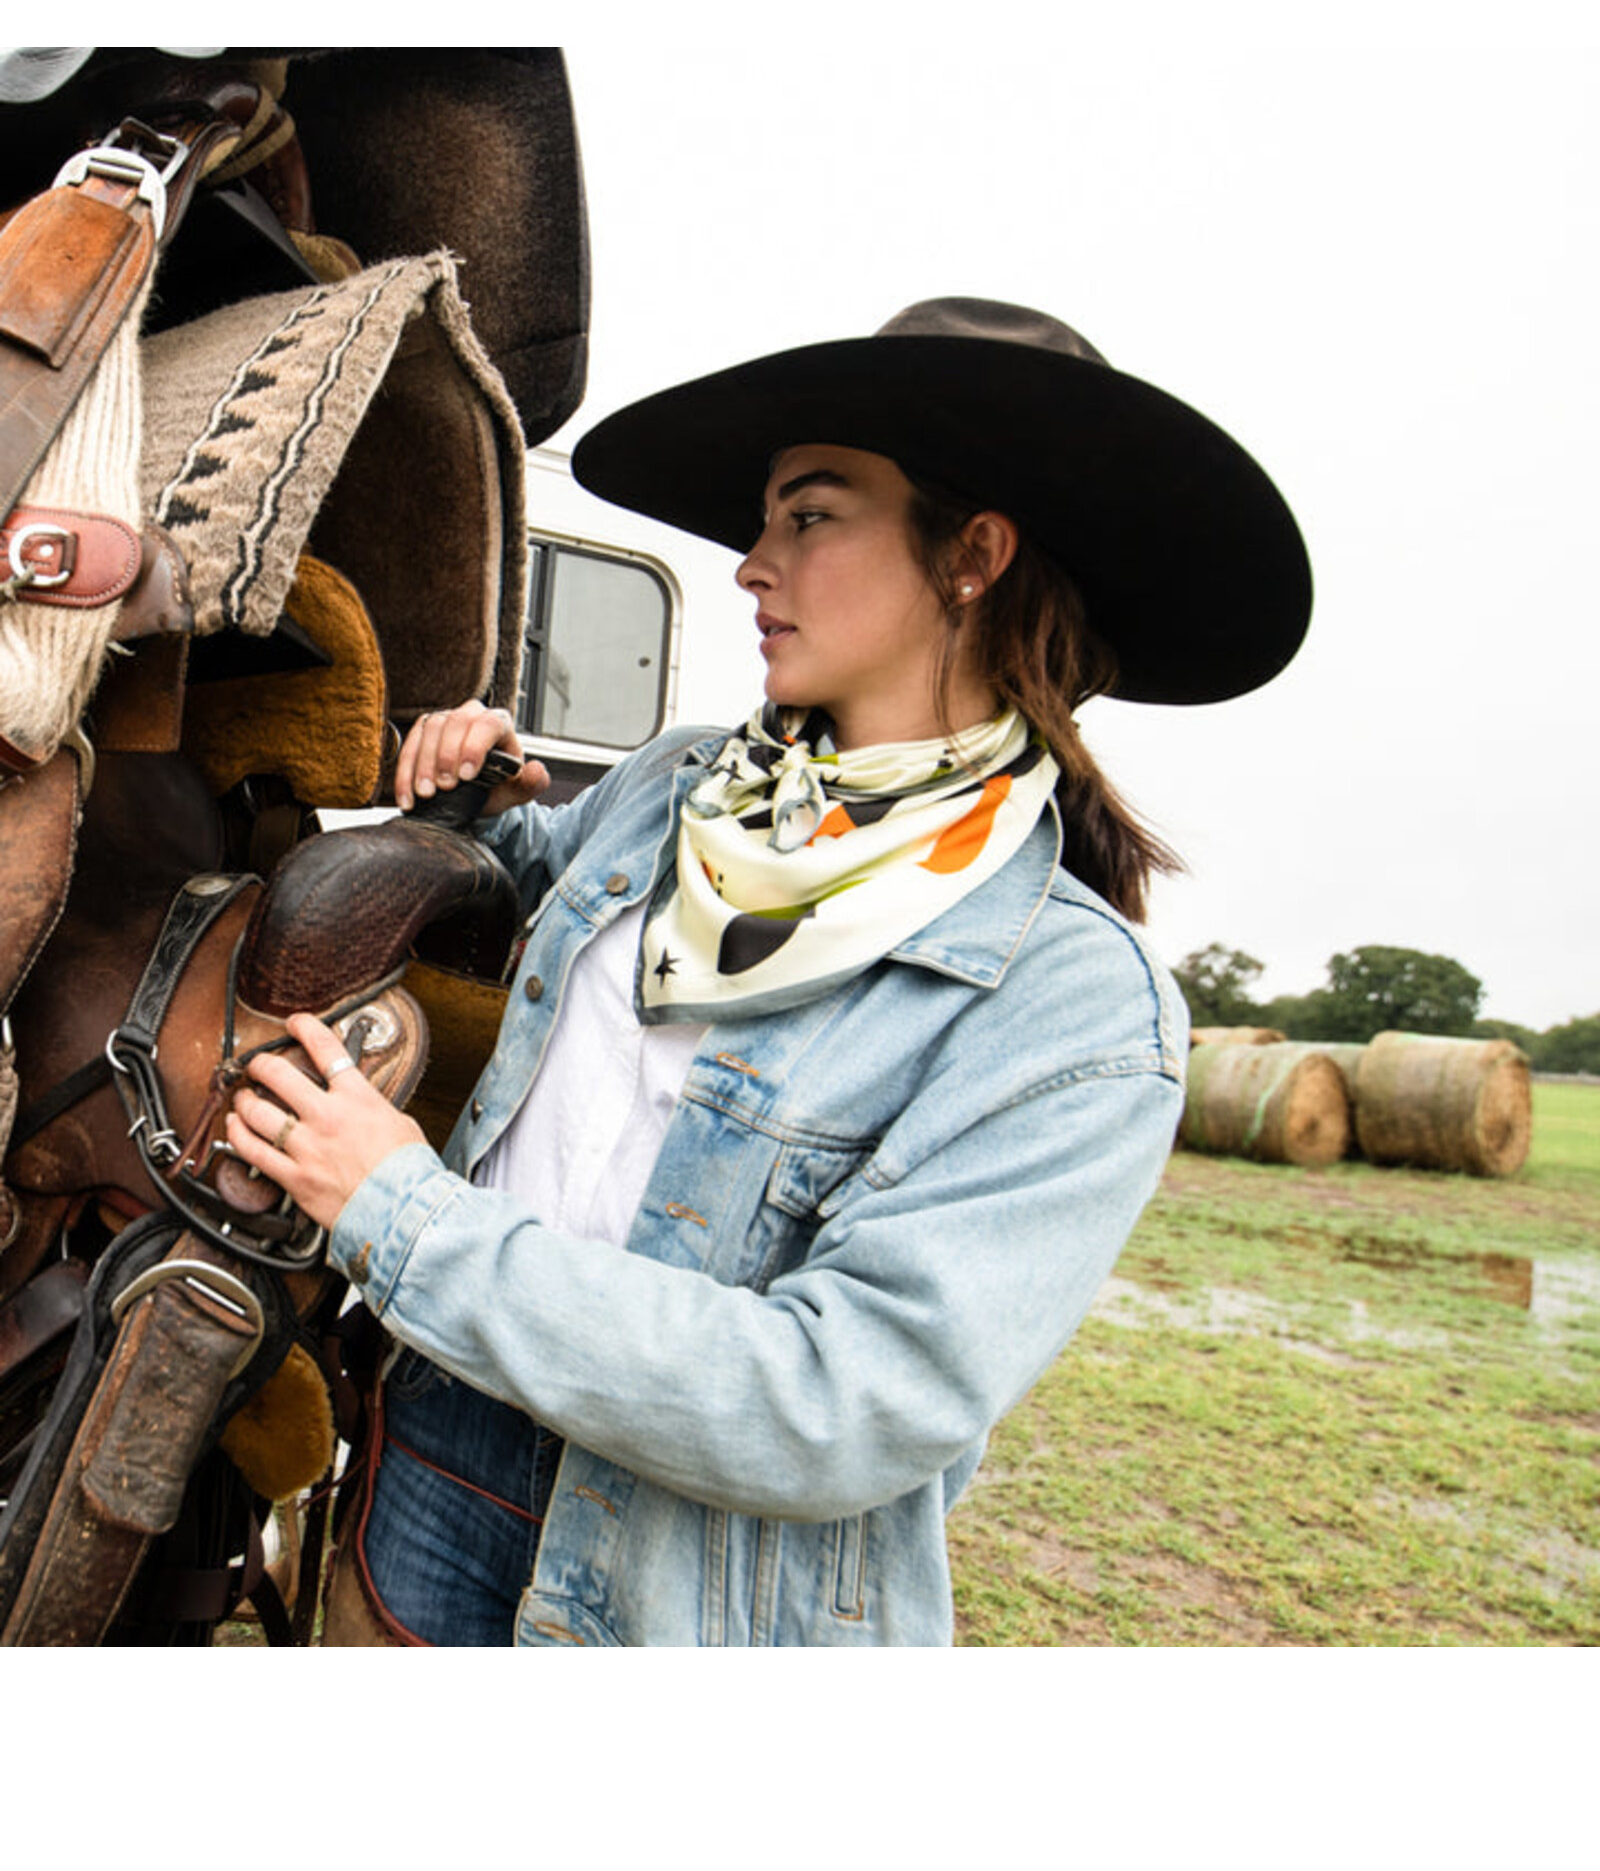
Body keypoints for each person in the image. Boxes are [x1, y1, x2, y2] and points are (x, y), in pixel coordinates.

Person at [226, 298, 1311, 1647]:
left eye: (810, 515)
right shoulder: (680, 784)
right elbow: (531, 888)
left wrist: (400, 1216)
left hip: (692, 1580)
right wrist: (477, 800)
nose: (751, 565)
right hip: (435, 1448)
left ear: (973, 556)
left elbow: (836, 1403)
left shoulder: (1078, 1004)